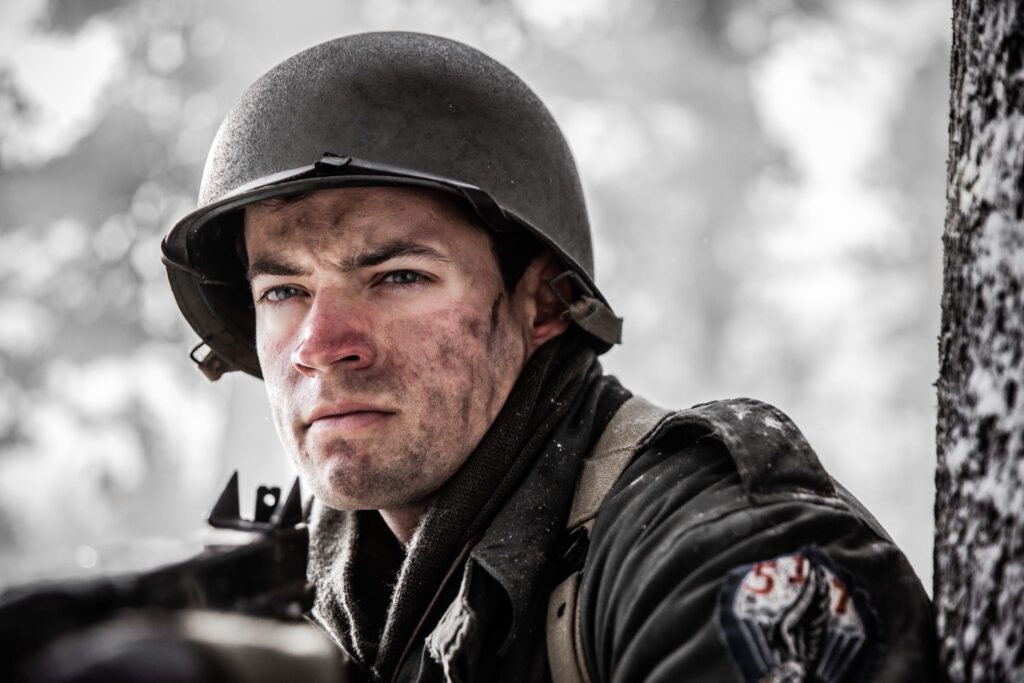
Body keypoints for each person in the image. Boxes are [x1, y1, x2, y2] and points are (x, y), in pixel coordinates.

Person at [161, 31, 936, 682]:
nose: (321, 347)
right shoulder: (307, 591)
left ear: (546, 305)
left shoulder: (720, 550)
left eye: (399, 277)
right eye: (283, 291)